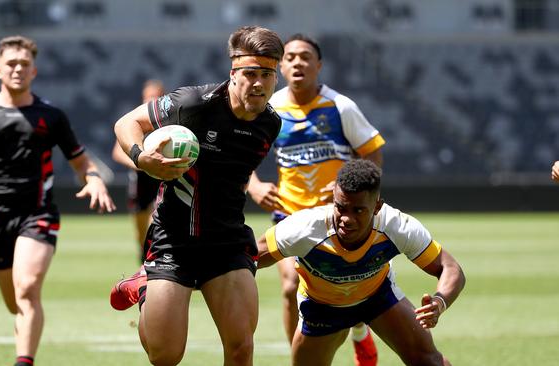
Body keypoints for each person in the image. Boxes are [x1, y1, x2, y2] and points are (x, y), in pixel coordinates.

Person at [110, 26, 284, 365]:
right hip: (175, 242)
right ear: (233, 73)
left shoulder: (270, 124)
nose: (259, 83)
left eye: (267, 74)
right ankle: (146, 285)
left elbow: (231, 170)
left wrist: (256, 184)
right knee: (166, 355)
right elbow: (125, 122)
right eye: (250, 74)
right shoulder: (193, 104)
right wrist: (140, 156)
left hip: (228, 242)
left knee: (241, 348)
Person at [0, 35, 115, 366]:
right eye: (11, 64)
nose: (18, 69)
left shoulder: (51, 116)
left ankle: (24, 361)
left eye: (24, 64)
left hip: (38, 213)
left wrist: (92, 179)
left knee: (28, 287)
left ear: (34, 71)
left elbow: (81, 161)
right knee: (15, 302)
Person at [247, 33, 385, 365]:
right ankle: (301, 358)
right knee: (290, 286)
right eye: (290, 57)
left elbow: (373, 153)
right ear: (281, 65)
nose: (298, 62)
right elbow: (243, 152)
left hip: (335, 219)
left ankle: (359, 330)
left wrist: (356, 195)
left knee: (344, 289)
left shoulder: (340, 106)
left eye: (305, 57)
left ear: (318, 65)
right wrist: (253, 185)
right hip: (289, 214)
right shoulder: (272, 108)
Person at [257, 159, 466, 366]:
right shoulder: (303, 228)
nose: (346, 219)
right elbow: (249, 258)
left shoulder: (397, 226)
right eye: (340, 207)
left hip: (377, 298)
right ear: (333, 199)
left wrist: (439, 302)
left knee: (430, 362)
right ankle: (360, 335)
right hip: (321, 308)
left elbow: (450, 268)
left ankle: (360, 333)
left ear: (377, 207)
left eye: (357, 210)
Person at [111, 80, 165, 262]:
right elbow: (117, 152)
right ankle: (143, 254)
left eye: (156, 96)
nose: (152, 99)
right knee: (141, 229)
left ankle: (154, 258)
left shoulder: (169, 122)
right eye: (149, 96)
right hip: (141, 179)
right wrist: (140, 162)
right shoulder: (135, 121)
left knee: (155, 221)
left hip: (161, 177)